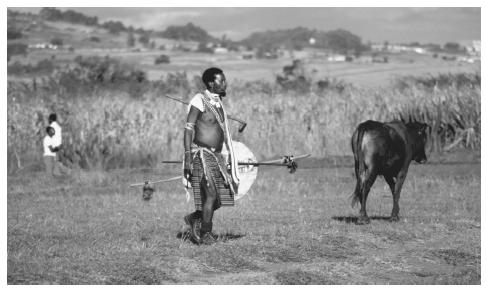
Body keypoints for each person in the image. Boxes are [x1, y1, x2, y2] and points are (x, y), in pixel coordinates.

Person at [183, 67, 240, 245]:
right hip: (201, 154)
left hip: (217, 156)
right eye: (221, 80)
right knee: (211, 194)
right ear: (210, 83)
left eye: (224, 80)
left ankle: (196, 217)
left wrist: (228, 156)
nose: (225, 83)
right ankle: (206, 234)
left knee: (222, 197)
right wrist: (187, 158)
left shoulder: (217, 103)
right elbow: (188, 130)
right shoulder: (198, 100)